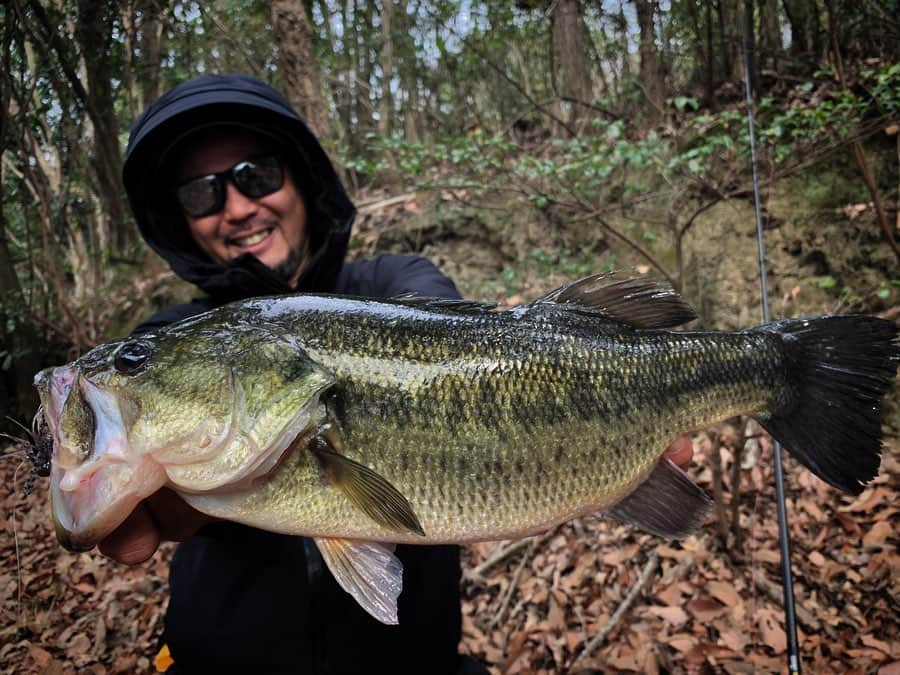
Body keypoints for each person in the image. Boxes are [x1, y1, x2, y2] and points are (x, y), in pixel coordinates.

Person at [102, 73, 694, 674]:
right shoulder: (170, 335)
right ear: (179, 220)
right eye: (201, 194)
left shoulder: (395, 282)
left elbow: (460, 349)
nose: (237, 207)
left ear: (302, 177)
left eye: (258, 176)